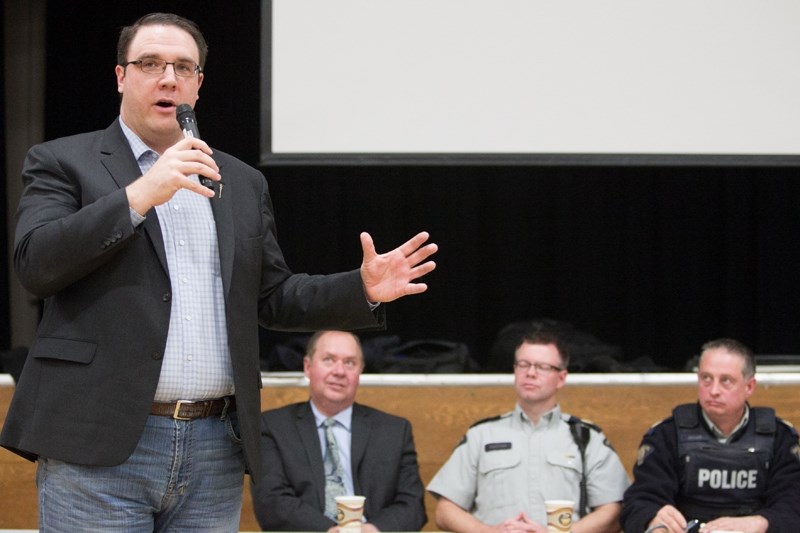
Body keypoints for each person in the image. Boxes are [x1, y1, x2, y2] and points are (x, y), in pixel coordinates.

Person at [0, 12, 437, 532]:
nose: (168, 78)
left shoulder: (241, 182)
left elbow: (273, 296)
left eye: (184, 67)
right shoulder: (63, 161)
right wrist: (142, 193)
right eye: (150, 64)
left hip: (213, 448)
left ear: (199, 85)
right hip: (100, 443)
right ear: (121, 76)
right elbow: (37, 263)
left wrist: (360, 288)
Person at [427, 321, 629, 533]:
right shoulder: (481, 435)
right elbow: (444, 511)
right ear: (515, 370)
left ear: (561, 378)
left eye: (542, 367)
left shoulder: (587, 438)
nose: (530, 373)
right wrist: (489, 532)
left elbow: (613, 512)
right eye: (523, 364)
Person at [251, 330, 427, 532]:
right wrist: (330, 530)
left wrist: (374, 529)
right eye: (329, 360)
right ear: (308, 367)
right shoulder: (273, 426)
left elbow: (413, 505)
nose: (339, 371)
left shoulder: (394, 430)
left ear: (360, 371)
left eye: (350, 363)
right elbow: (270, 501)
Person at [621, 338, 800, 533]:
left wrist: (762, 522)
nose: (714, 391)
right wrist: (653, 519)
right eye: (706, 378)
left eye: (726, 381)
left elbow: (793, 503)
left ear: (749, 387)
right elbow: (639, 501)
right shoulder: (667, 434)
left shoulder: (780, 437)